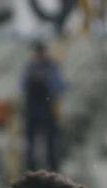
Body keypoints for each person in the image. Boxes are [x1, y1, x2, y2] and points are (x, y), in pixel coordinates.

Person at [21, 42, 64, 172]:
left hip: (46, 106)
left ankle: (52, 166)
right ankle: (30, 166)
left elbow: (59, 85)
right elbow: (22, 85)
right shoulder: (29, 67)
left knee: (50, 139)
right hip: (33, 106)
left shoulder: (51, 67)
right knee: (30, 140)